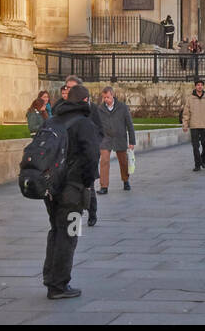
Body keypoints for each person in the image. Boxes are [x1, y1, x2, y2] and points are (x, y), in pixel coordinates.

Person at [42, 84, 101, 300]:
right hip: (73, 191)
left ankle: (50, 278)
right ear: (86, 101)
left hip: (51, 189)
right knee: (70, 234)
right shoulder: (85, 124)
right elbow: (93, 157)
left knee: (56, 231)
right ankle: (59, 285)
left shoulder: (52, 121)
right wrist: (86, 183)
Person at [94, 87, 136, 194]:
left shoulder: (122, 107)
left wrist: (132, 141)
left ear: (112, 95)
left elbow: (129, 125)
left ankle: (125, 180)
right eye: (104, 98)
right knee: (104, 161)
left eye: (107, 97)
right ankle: (104, 186)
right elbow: (97, 125)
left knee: (123, 161)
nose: (106, 100)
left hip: (120, 138)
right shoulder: (100, 109)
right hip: (105, 139)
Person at [183, 79, 205, 171]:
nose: (200, 86)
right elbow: (186, 113)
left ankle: (203, 158)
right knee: (195, 146)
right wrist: (185, 124)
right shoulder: (190, 98)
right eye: (198, 85)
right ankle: (197, 164)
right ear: (195, 86)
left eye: (201, 85)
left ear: (203, 86)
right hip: (194, 125)